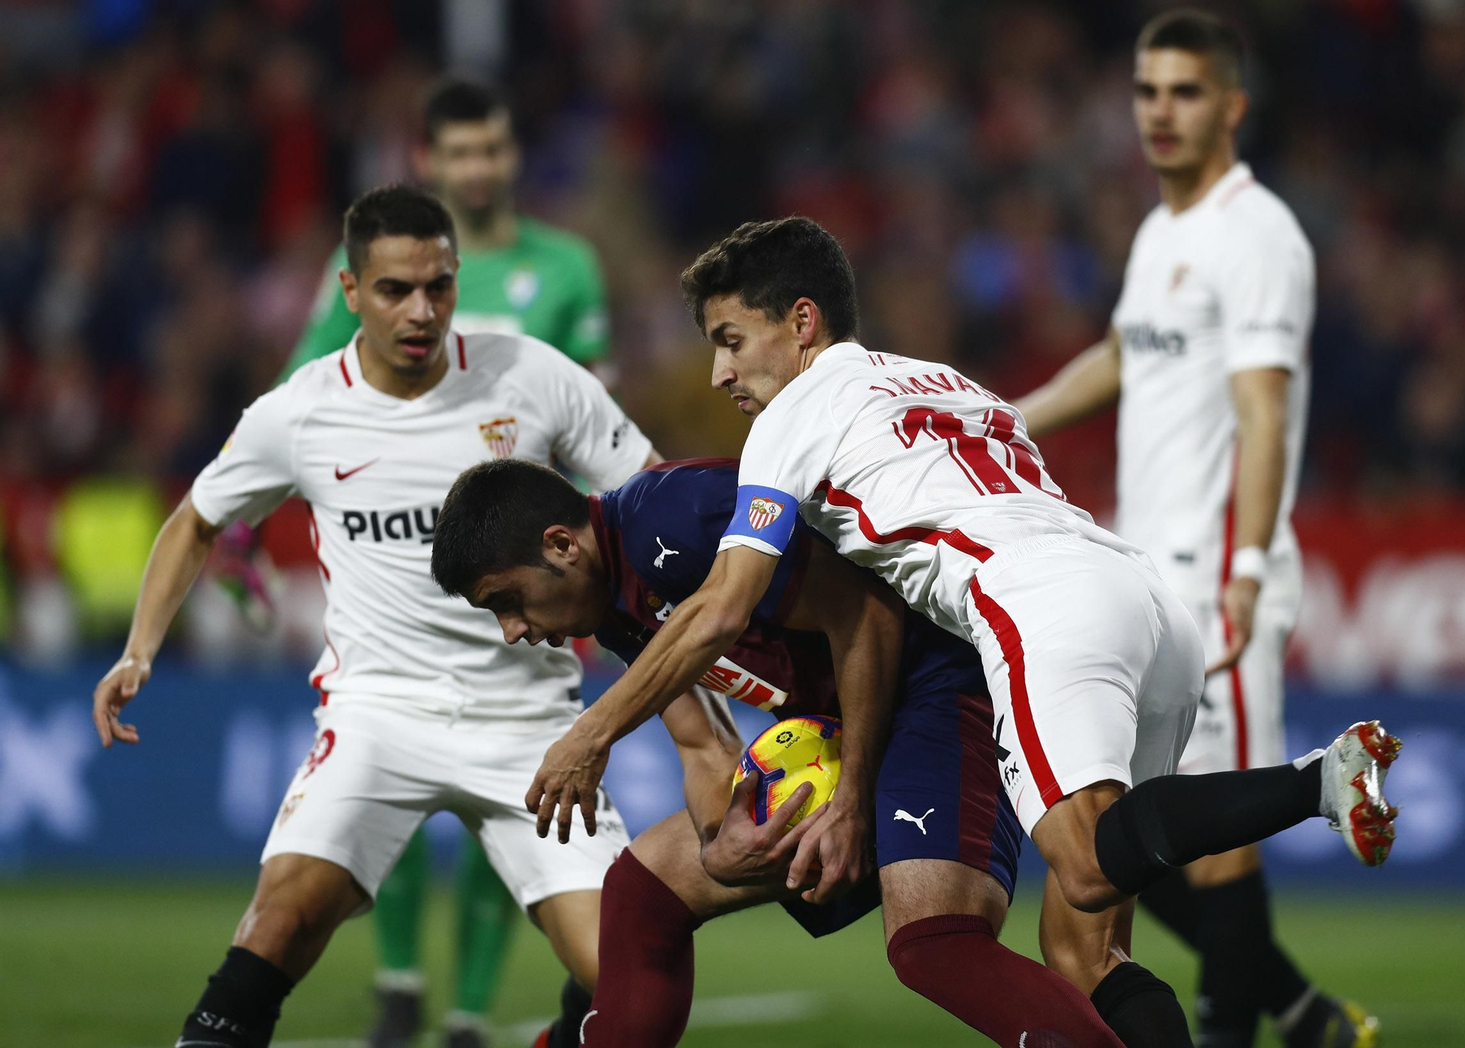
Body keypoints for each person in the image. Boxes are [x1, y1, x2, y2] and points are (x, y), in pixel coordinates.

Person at [523, 215, 1403, 1047]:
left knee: (1087, 862)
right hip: (1140, 596)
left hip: (1032, 603)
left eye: (730, 340)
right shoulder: (946, 381)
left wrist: (590, 733)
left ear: (801, 322)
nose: (720, 374)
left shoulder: (795, 412)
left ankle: (1319, 779)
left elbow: (721, 603)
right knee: (1088, 954)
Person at [90, 184, 659, 1048]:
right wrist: (139, 651)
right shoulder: (302, 411)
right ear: (351, 291)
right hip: (378, 716)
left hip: (529, 727)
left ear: (457, 277)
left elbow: (648, 497)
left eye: (439, 285)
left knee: (626, 977)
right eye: (395, 289)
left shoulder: (532, 377)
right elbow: (196, 520)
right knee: (282, 916)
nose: (421, 310)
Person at [429, 456, 1139, 1048]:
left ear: (561, 545)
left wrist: (854, 801)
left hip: (942, 690)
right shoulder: (616, 605)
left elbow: (867, 617)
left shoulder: (673, 519)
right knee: (645, 891)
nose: (513, 631)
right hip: (847, 728)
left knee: (935, 943)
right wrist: (722, 848)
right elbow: (705, 743)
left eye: (507, 600)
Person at [1012, 11, 1378, 1046]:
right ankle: (1297, 1011)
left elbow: (1263, 408)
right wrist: (1003, 416)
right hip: (1144, 570)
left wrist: (1249, 567)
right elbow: (1123, 358)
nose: (1158, 112)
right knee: (1128, 841)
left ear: (1230, 105)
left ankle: (1234, 1030)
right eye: (1145, 91)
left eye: (1182, 91)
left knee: (1217, 848)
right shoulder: (1161, 233)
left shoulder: (1257, 235)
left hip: (1217, 571)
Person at [255, 78, 615, 1048]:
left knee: (521, 823)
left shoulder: (567, 267)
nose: (479, 168)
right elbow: (312, 401)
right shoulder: (376, 263)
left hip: (516, 595)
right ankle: (404, 985)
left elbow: (592, 432)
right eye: (460, 154)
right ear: (433, 162)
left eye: (493, 149)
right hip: (395, 602)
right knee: (387, 815)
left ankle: (469, 1009)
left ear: (511, 154)